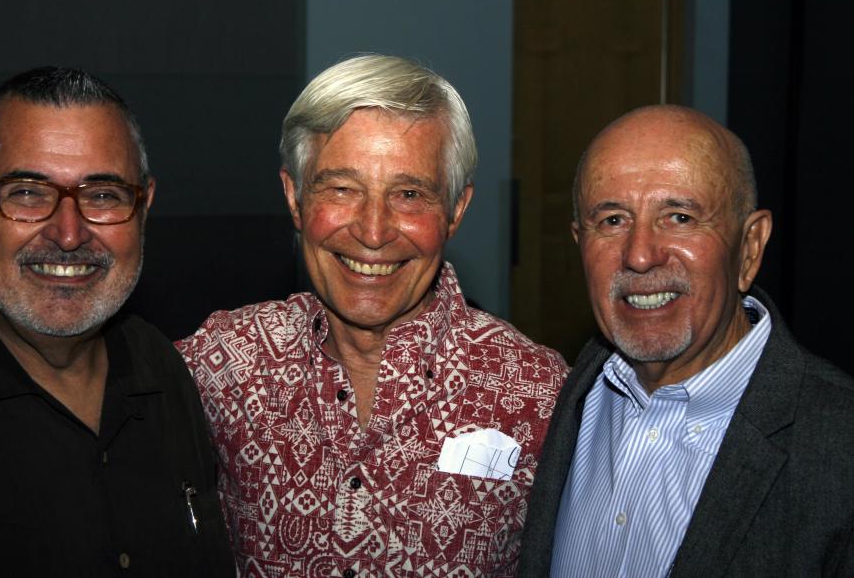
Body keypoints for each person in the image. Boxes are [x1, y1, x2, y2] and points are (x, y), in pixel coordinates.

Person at [177, 54, 567, 576]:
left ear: (455, 209)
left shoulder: (538, 393)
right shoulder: (223, 363)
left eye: (409, 195)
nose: (374, 230)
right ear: (294, 197)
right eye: (342, 189)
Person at [0, 67, 233, 576]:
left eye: (103, 195)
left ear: (143, 210)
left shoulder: (164, 370)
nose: (69, 234)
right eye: (27, 193)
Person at [518, 105, 854, 577]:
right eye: (612, 220)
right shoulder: (547, 397)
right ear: (579, 243)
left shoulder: (838, 448)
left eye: (678, 216)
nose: (639, 256)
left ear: (750, 247)